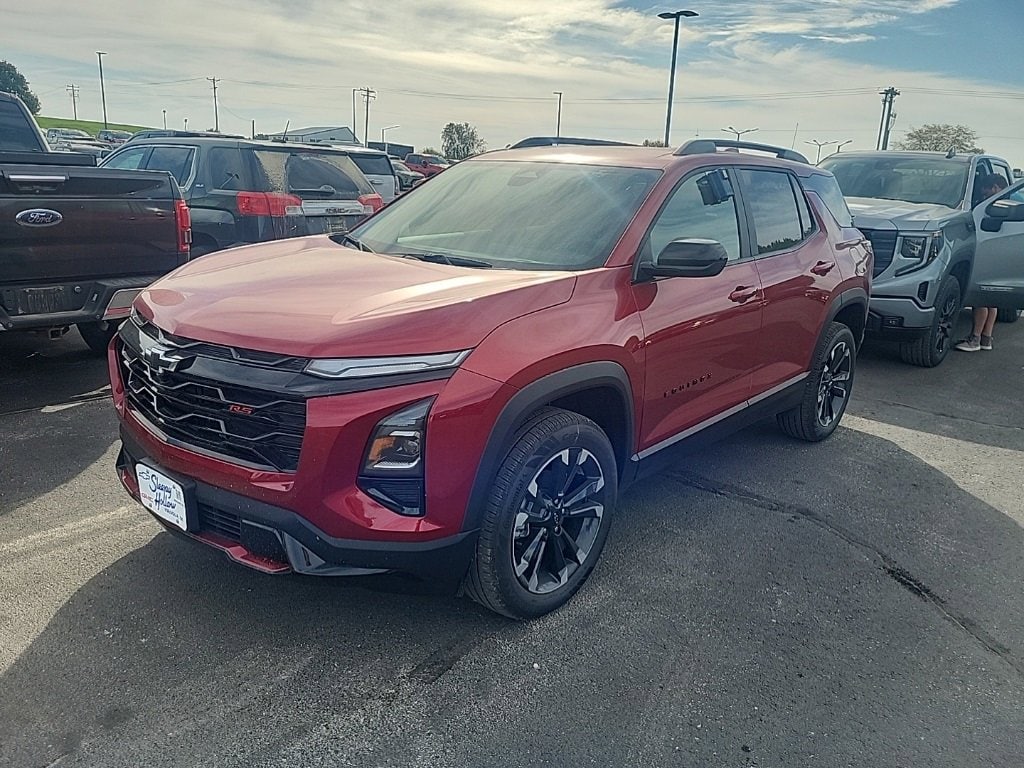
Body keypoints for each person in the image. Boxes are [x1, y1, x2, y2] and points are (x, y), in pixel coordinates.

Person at [955, 173, 1010, 352]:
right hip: (1003, 256)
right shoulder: (1013, 203)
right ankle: (987, 338)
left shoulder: (996, 206)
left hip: (989, 253)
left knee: (980, 298)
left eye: (986, 193)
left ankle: (975, 339)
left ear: (995, 188)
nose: (985, 197)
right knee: (992, 299)